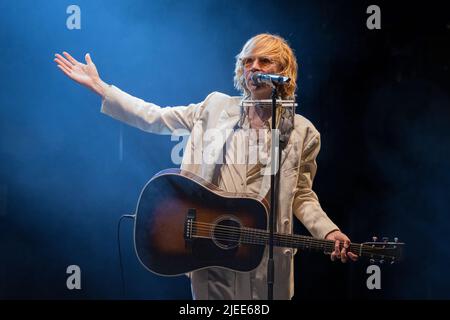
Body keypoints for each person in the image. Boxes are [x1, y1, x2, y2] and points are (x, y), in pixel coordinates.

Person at [54, 33, 358, 300]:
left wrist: (328, 232)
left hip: (267, 260)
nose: (254, 67)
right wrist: (101, 87)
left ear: (283, 71)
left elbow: (301, 195)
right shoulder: (214, 108)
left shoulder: (303, 132)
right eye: (248, 60)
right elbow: (157, 117)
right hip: (211, 249)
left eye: (264, 61)